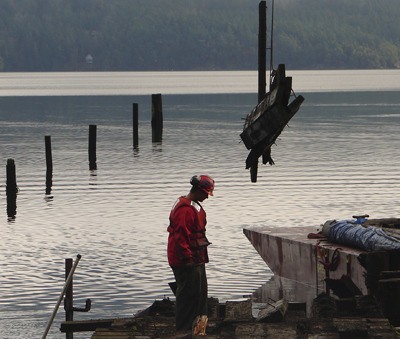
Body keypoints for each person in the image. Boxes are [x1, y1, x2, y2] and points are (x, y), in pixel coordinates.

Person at [167, 174, 215, 332]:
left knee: (199, 294)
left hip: (196, 258)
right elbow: (181, 238)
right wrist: (187, 258)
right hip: (185, 260)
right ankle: (184, 329)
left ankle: (197, 327)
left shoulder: (193, 205)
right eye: (206, 194)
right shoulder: (185, 210)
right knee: (187, 296)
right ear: (198, 191)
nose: (207, 197)